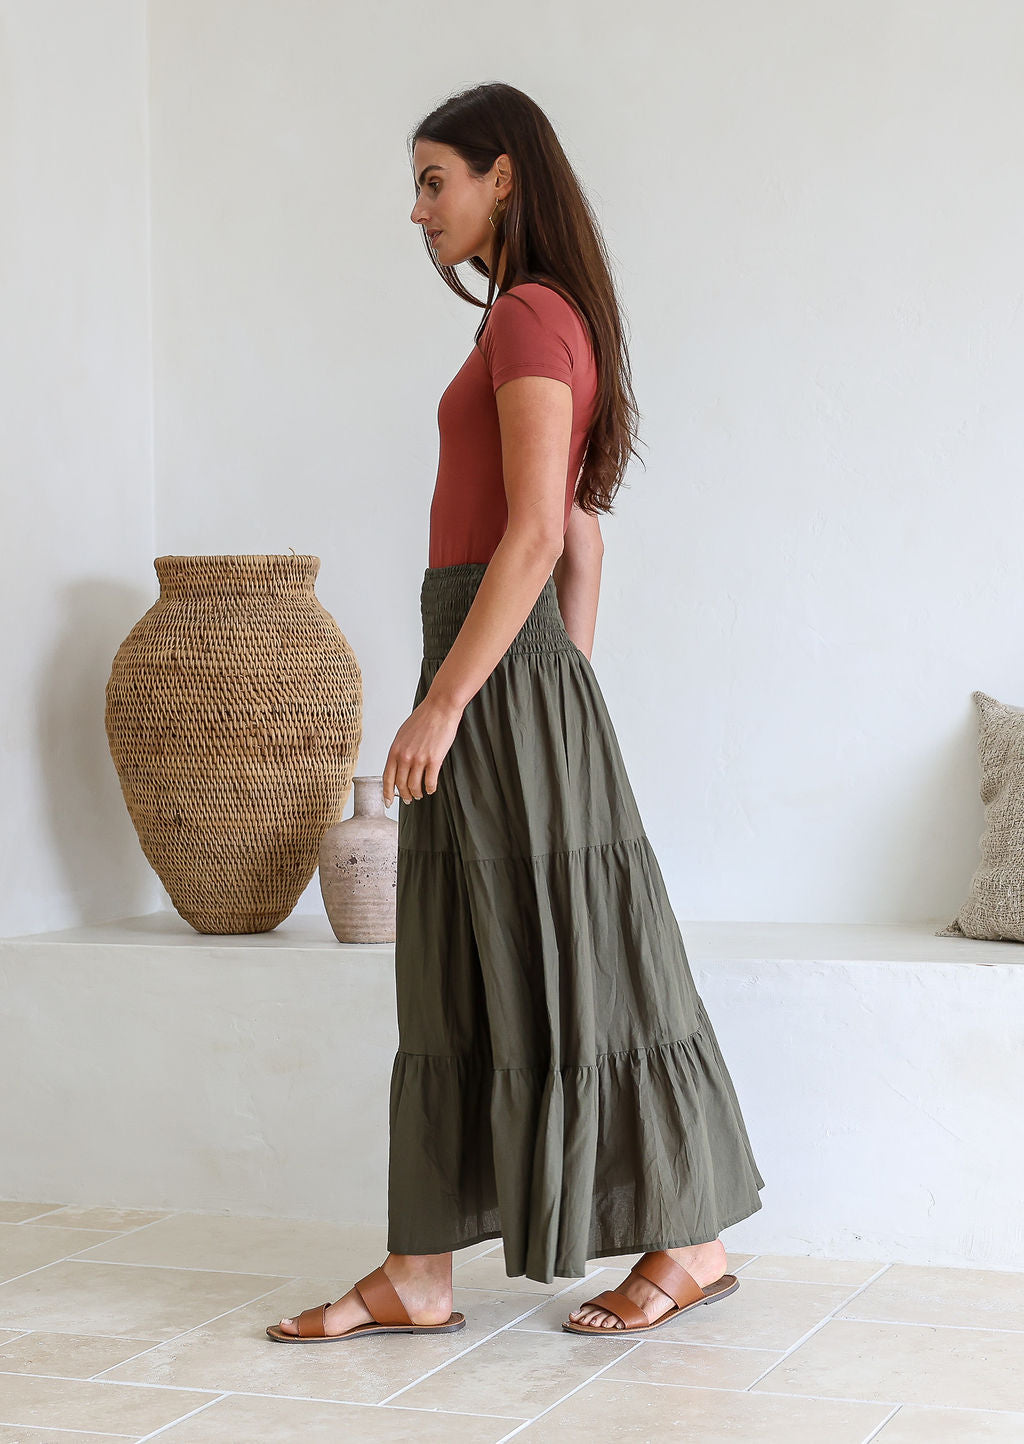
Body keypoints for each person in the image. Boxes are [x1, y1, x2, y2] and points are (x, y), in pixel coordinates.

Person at [268, 81, 764, 1345]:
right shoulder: (529, 320)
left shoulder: (533, 316)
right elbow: (582, 540)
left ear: (503, 178)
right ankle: (419, 1269)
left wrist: (456, 697)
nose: (418, 208)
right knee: (464, 968)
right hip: (508, 682)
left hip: (488, 680)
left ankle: (689, 1241)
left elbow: (541, 531)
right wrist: (553, 687)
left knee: (568, 966)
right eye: (420, 183)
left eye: (437, 179)